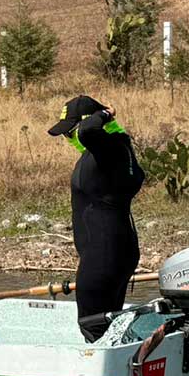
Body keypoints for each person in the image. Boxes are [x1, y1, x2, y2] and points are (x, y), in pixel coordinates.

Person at [47, 95, 145, 342]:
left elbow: (89, 131)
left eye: (70, 132)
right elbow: (88, 136)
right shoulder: (115, 151)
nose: (68, 139)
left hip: (103, 255)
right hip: (116, 252)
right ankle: (128, 375)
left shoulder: (108, 148)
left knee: (92, 326)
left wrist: (104, 114)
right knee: (109, 326)